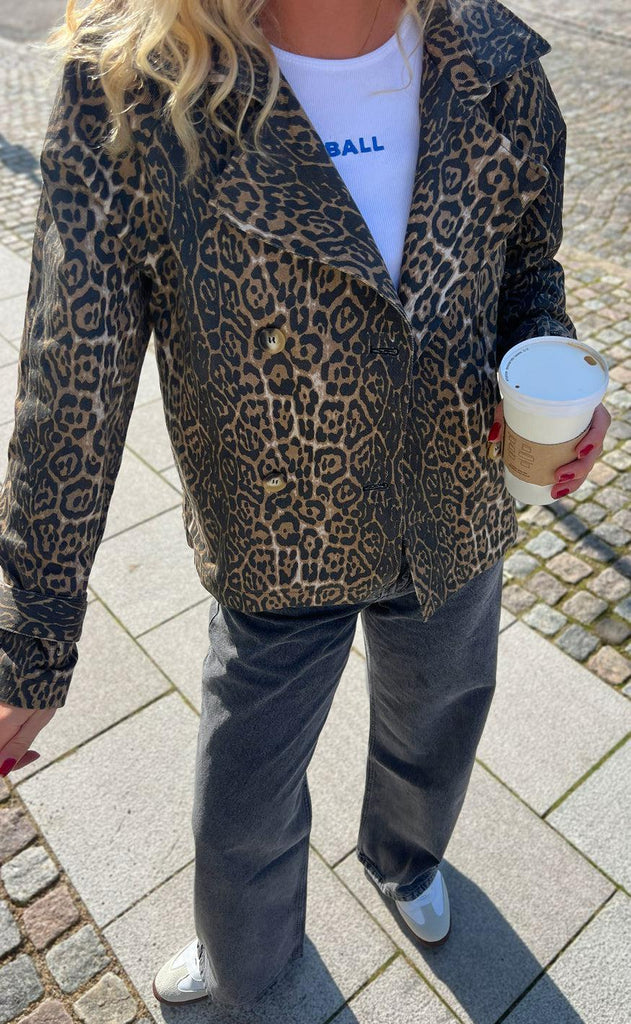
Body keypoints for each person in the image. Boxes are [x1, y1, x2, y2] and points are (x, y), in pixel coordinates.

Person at [0, 0, 612, 1012]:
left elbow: (525, 267)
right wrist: (30, 637)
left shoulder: (490, 56)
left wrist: (544, 368)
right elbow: (73, 376)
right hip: (275, 535)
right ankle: (244, 950)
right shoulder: (134, 81)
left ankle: (403, 858)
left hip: (452, 506)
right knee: (242, 801)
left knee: (437, 723)